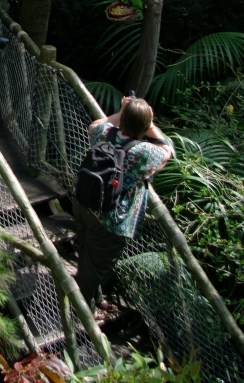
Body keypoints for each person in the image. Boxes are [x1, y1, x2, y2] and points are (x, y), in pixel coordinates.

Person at [74, 96, 173, 311]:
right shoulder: (143, 153)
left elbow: (95, 124)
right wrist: (151, 125)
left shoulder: (104, 133)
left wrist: (121, 112)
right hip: (110, 222)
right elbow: (168, 151)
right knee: (95, 269)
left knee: (87, 257)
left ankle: (94, 301)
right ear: (145, 125)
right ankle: (79, 311)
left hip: (84, 204)